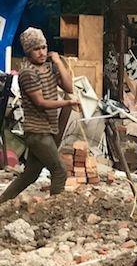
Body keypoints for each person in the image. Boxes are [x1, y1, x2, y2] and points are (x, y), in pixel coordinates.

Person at [0, 27, 79, 203]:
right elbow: (41, 103)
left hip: (47, 129)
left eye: (43, 47)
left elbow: (68, 87)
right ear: (28, 52)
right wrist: (67, 103)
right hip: (37, 133)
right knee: (59, 171)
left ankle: (2, 202)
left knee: (30, 175)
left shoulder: (48, 68)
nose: (42, 52)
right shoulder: (28, 73)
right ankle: (55, 210)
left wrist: (58, 62)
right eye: (36, 49)